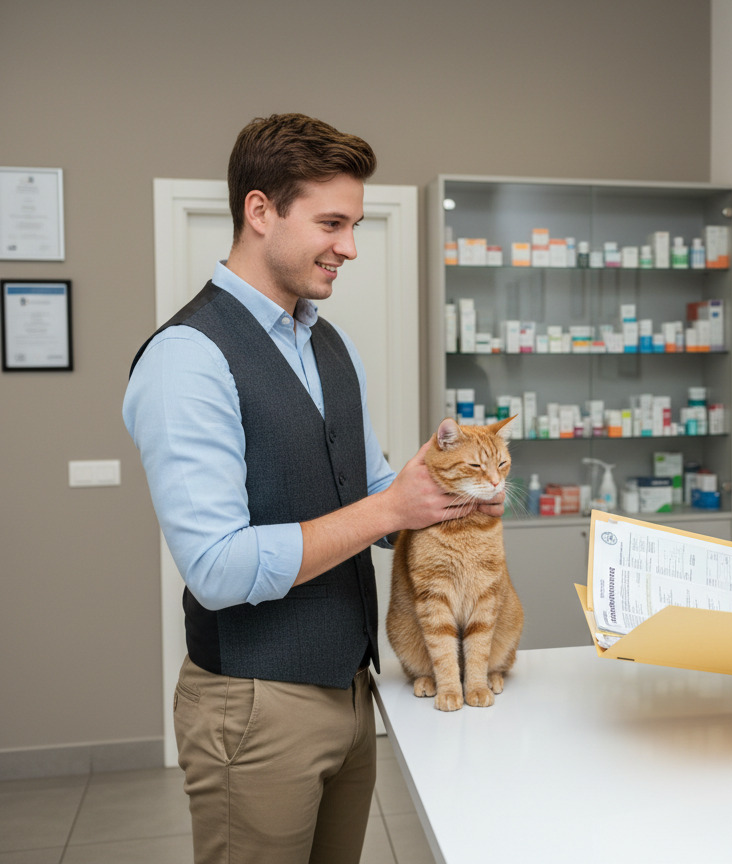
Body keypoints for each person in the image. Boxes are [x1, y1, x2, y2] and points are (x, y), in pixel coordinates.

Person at [124, 113, 503, 864]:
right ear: (259, 211)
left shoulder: (328, 343)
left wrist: (437, 490)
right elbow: (219, 568)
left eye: (356, 224)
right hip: (254, 707)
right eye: (332, 222)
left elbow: (368, 497)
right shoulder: (186, 359)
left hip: (351, 691)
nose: (350, 247)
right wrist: (389, 506)